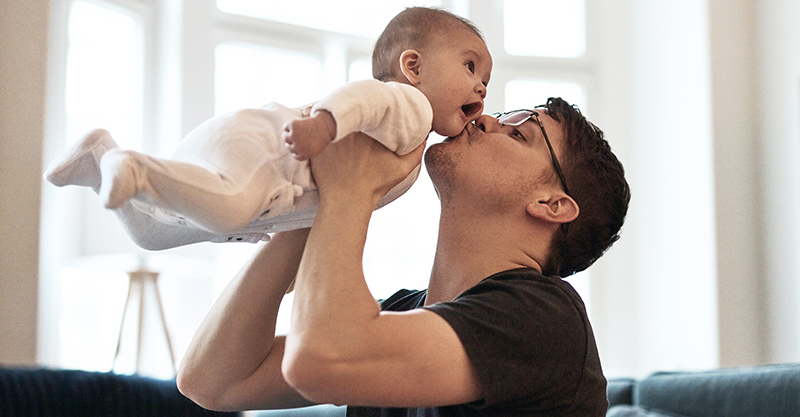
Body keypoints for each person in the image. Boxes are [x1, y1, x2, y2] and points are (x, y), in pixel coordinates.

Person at [177, 97, 631, 416]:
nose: (487, 119)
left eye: (519, 133)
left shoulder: (547, 320)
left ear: (552, 205)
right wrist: (312, 204)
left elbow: (319, 360)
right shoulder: (398, 314)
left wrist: (351, 189)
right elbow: (212, 381)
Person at [43, 7, 489, 250]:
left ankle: (98, 159)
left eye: (485, 81)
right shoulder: (410, 105)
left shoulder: (408, 140)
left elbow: (332, 205)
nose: (480, 87)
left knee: (152, 236)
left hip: (253, 173)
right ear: (412, 66)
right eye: (470, 66)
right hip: (262, 152)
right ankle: (131, 165)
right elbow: (363, 98)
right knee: (228, 210)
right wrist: (323, 125)